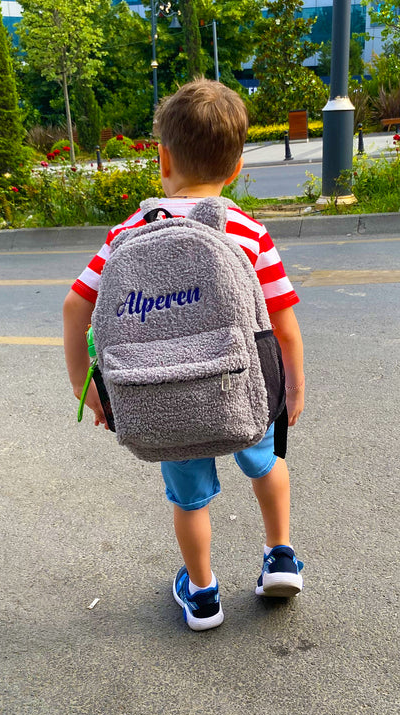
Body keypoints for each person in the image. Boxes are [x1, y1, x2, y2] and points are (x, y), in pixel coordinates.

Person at [63, 79, 305, 632]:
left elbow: (75, 310)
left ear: (162, 157)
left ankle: (201, 595)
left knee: (188, 499)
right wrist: (291, 385)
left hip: (162, 395)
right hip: (242, 388)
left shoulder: (128, 234)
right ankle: (281, 556)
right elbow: (284, 322)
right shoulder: (248, 232)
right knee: (268, 463)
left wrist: (92, 389)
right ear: (237, 166)